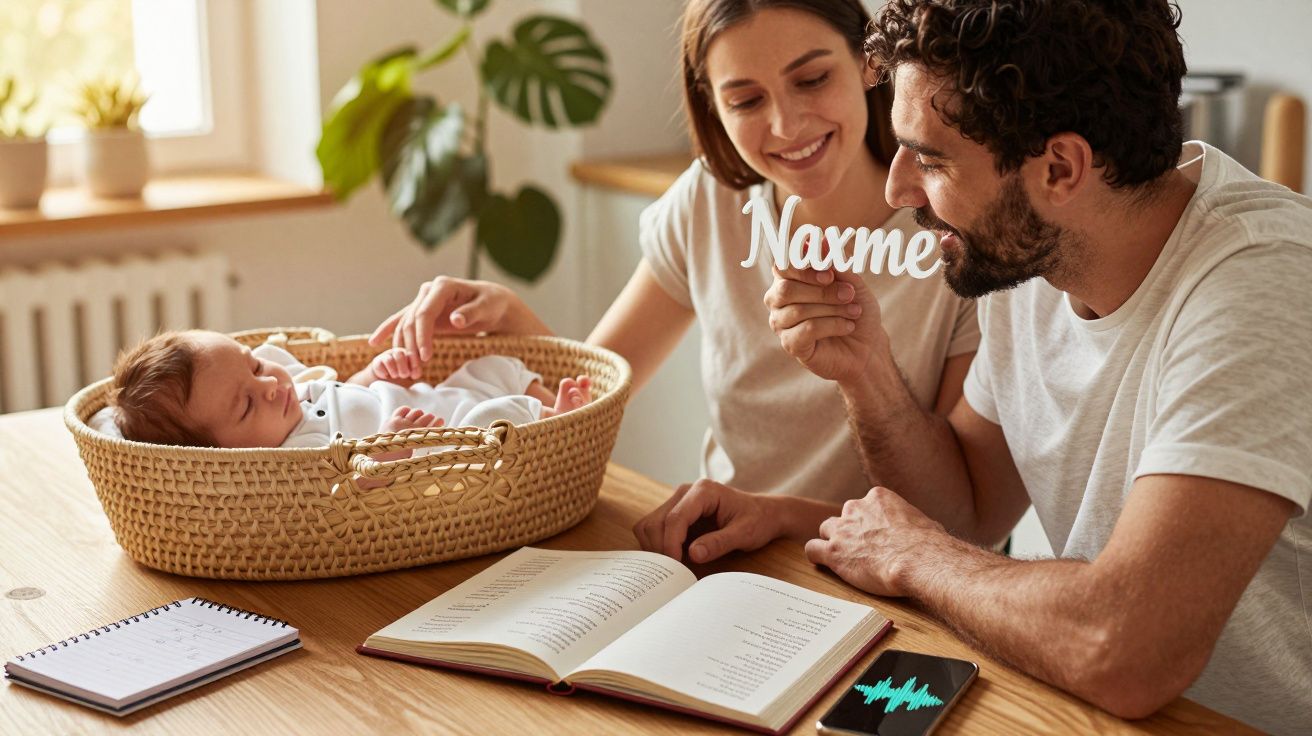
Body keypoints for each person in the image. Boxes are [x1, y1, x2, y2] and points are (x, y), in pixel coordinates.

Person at [639, 0, 1312, 732]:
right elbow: (965, 509)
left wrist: (918, 558)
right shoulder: (1034, 254)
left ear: (1060, 167)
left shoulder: (1262, 284)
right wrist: (868, 373)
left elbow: (1123, 646)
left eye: (929, 159)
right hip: (1072, 705)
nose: (899, 189)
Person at [372, 0, 979, 515]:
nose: (786, 124)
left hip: (888, 582)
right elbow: (590, 392)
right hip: (727, 557)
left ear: (870, 63)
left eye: (812, 79)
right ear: (712, 105)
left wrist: (779, 518)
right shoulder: (711, 202)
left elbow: (958, 515)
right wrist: (516, 323)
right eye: (745, 100)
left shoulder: (957, 230)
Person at [109, 330, 591, 450]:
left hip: (435, 395)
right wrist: (388, 443)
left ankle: (548, 400)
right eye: (246, 405)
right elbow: (355, 489)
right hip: (446, 435)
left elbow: (345, 388)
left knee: (493, 365)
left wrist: (377, 373)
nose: (270, 386)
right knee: (495, 421)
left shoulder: (291, 388)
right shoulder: (296, 457)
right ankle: (549, 424)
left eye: (255, 366)